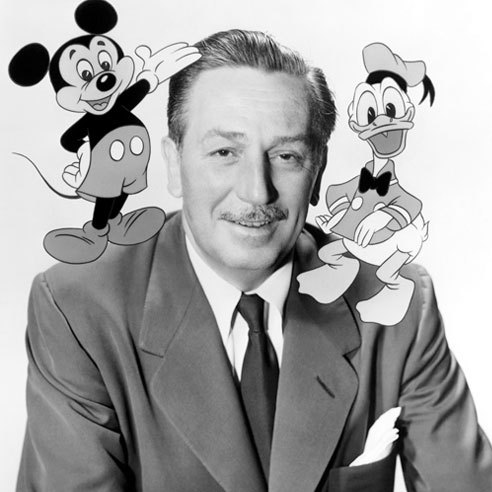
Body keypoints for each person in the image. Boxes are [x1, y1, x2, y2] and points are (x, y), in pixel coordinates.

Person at [16, 29, 492, 492]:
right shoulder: (77, 310)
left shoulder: (398, 307)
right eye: (225, 152)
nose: (256, 191)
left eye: (286, 156)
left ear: (318, 172)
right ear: (173, 164)